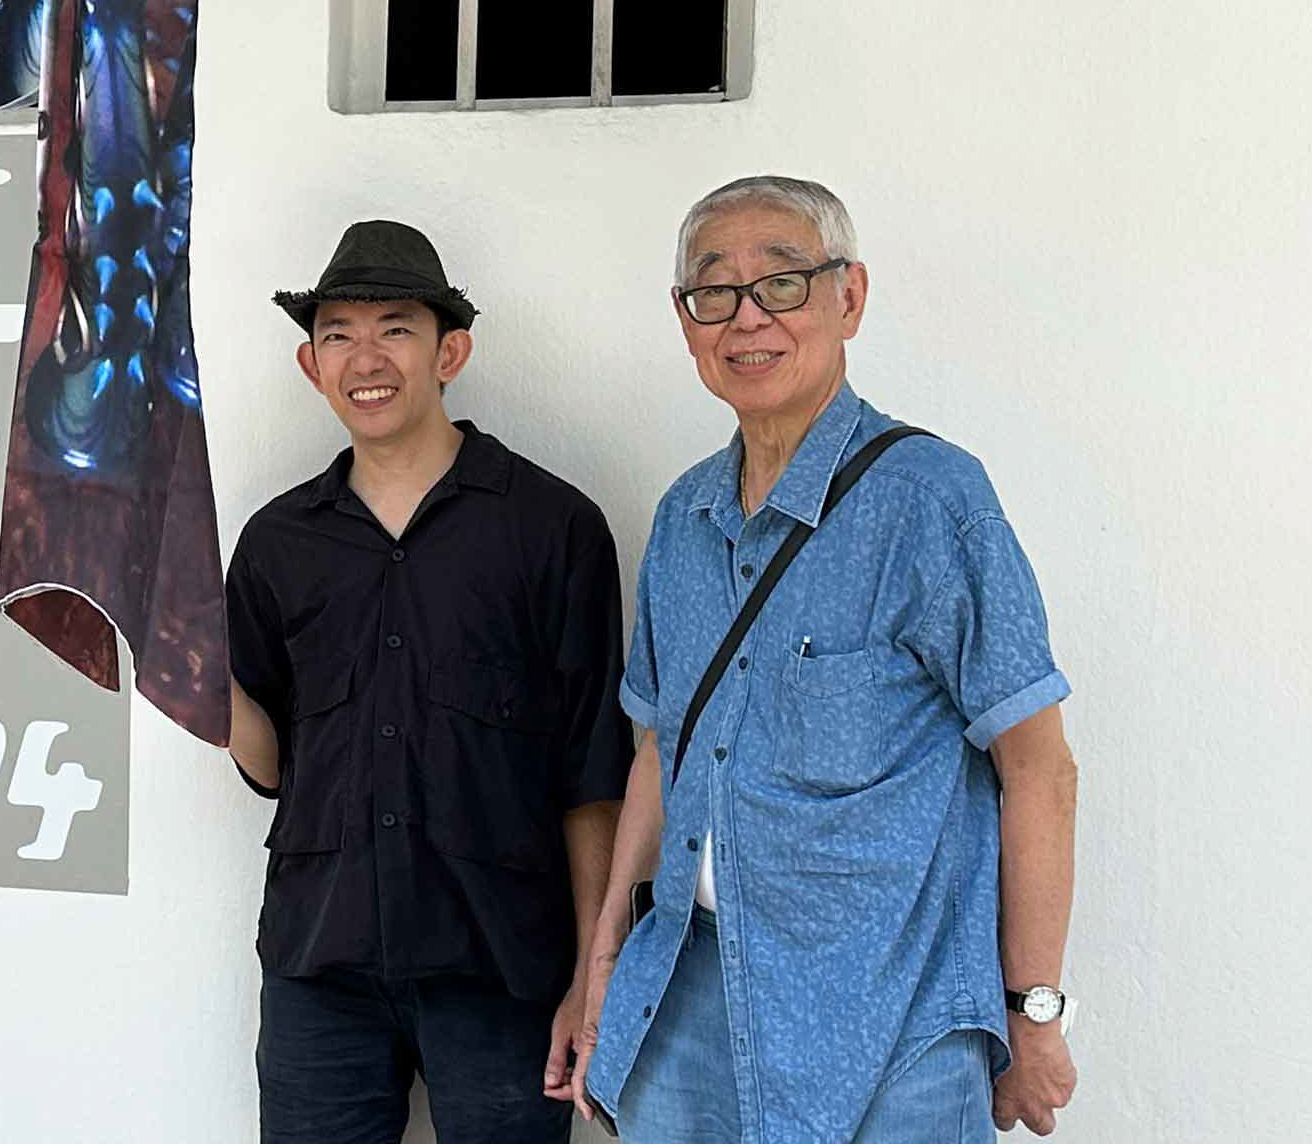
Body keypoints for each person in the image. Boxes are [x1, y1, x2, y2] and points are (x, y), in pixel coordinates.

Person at [567, 176, 1082, 1143]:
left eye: (783, 282)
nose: (746, 316)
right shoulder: (683, 519)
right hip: (690, 1002)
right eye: (714, 290)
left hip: (895, 1010)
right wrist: (602, 977)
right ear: (685, 321)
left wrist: (1033, 1010)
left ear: (850, 297)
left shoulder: (931, 500)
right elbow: (660, 753)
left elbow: (1038, 767)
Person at [228, 221, 630, 1144]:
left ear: (451, 353)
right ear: (310, 365)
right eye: (338, 334)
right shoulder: (276, 544)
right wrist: (172, 672)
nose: (365, 358)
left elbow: (592, 775)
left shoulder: (552, 527)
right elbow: (271, 764)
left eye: (395, 328)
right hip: (318, 970)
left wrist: (591, 975)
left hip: (503, 972)